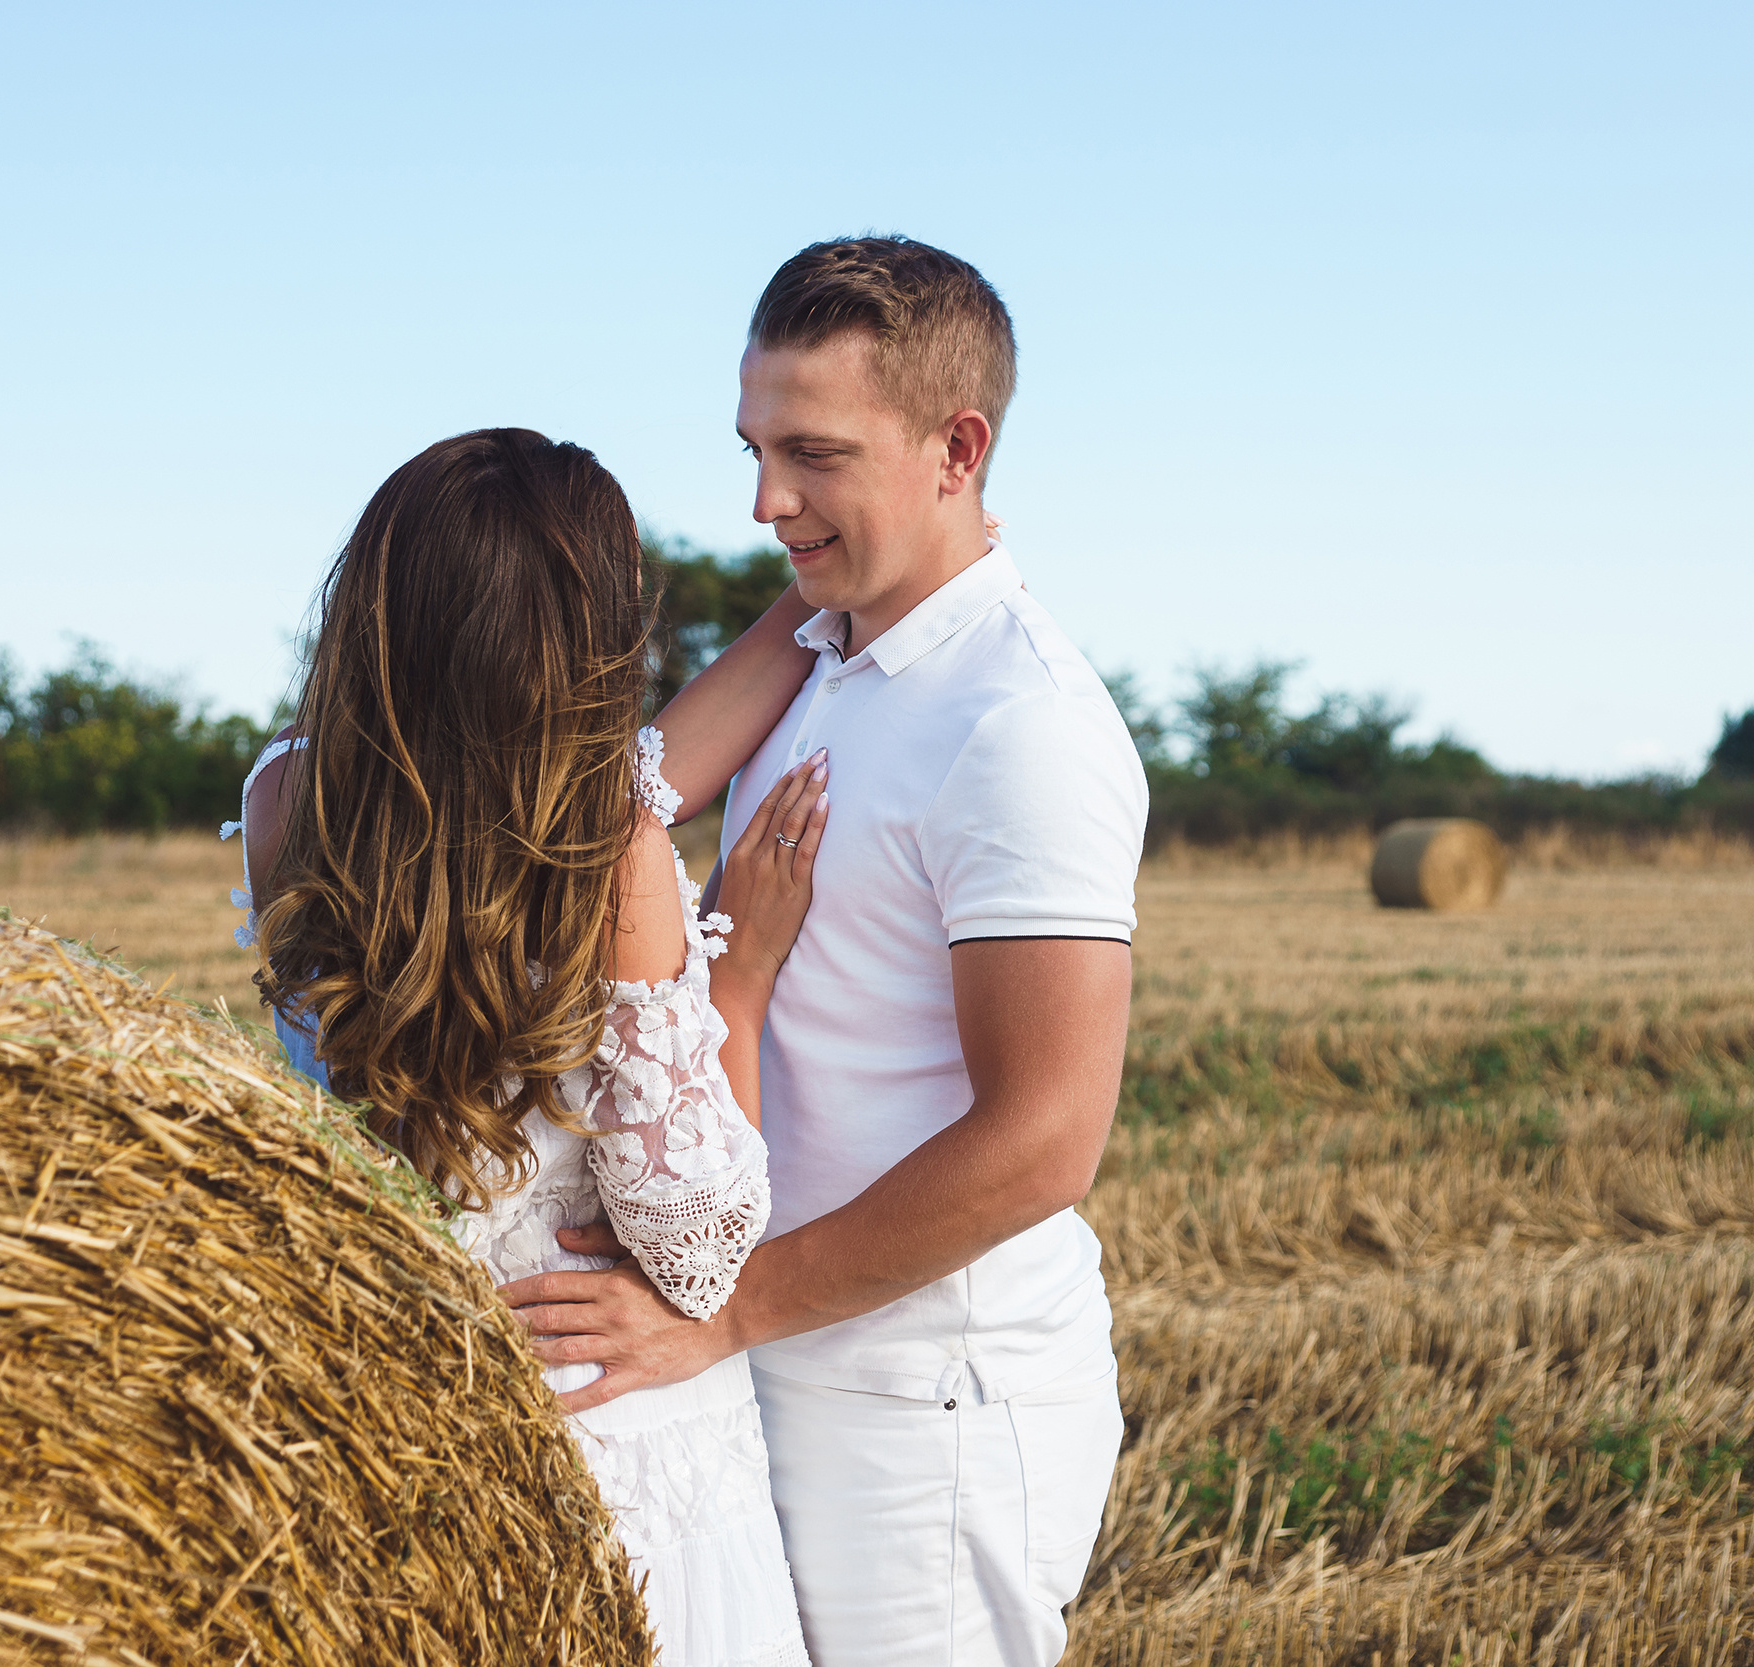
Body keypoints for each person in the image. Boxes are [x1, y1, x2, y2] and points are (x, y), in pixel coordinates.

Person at [500, 238, 1148, 1666]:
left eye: (814, 455)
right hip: (786, 1351)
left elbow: (1046, 1137)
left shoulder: (1020, 724)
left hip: (927, 1400)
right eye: (753, 447)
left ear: (955, 447)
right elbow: (615, 801)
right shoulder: (829, 650)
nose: (764, 502)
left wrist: (730, 1313)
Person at [222, 427, 827, 1667]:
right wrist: (744, 978)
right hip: (611, 1454)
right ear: (584, 644)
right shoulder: (611, 848)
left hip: (405, 1437)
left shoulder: (284, 798)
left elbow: (590, 781)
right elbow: (699, 1243)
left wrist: (803, 602)